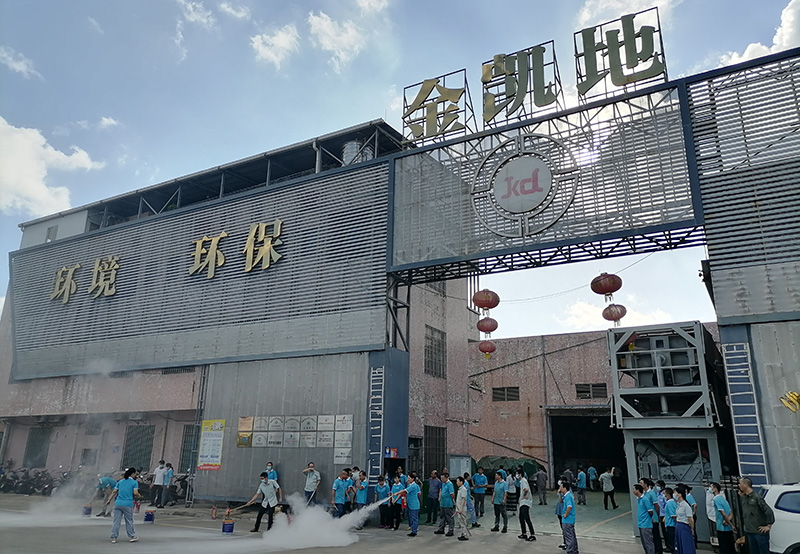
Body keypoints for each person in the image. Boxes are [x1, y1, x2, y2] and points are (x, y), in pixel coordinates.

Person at [738, 477, 774, 554]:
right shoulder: (744, 498)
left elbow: (768, 511)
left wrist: (769, 526)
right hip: (750, 532)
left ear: (745, 484)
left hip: (759, 533)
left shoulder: (757, 497)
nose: (739, 485)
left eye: (740, 484)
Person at [108, 467, 142, 543]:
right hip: (128, 504)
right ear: (132, 474)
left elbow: (114, 491)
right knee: (129, 521)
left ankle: (114, 537)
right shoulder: (134, 482)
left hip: (118, 503)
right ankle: (131, 536)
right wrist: (139, 495)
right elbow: (135, 493)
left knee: (116, 521)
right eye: (135, 474)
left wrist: (109, 500)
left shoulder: (120, 482)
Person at [711, 482, 735, 554]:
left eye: (711, 487)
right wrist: (729, 521)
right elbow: (730, 513)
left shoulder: (716, 500)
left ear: (715, 489)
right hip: (728, 529)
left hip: (721, 528)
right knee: (730, 548)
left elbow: (723, 513)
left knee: (724, 548)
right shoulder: (723, 499)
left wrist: (729, 523)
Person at [641, 478, 662, 554]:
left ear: (646, 484)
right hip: (648, 518)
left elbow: (656, 505)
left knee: (655, 535)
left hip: (653, 517)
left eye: (641, 483)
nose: (640, 485)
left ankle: (658, 551)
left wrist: (657, 515)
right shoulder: (644, 494)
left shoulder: (652, 493)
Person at [674, 485, 696, 554]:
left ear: (680, 494)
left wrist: (692, 528)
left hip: (684, 526)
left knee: (686, 544)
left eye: (675, 493)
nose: (674, 495)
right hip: (678, 525)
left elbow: (690, 518)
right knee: (679, 544)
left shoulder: (686, 506)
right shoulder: (678, 504)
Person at [634, 484, 656, 554]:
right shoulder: (638, 499)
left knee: (648, 542)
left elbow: (650, 511)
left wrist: (649, 518)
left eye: (634, 489)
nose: (633, 491)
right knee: (644, 542)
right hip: (641, 524)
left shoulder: (645, 499)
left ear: (638, 490)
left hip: (646, 524)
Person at [517, 469, 536, 541]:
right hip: (522, 502)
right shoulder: (522, 481)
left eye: (517, 474)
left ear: (520, 474)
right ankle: (524, 533)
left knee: (526, 518)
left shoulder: (523, 480)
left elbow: (526, 489)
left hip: (525, 502)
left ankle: (532, 534)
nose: (517, 475)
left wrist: (523, 496)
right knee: (521, 518)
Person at [560, 481, 578, 554]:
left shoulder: (568, 496)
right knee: (572, 536)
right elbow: (561, 501)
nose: (560, 488)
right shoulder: (567, 496)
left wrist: (566, 514)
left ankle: (570, 551)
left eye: (561, 487)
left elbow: (569, 506)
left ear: (565, 488)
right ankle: (574, 550)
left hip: (567, 520)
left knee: (568, 537)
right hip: (570, 520)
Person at [434, 472, 455, 536]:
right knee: (442, 517)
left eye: (443, 478)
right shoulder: (443, 484)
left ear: (446, 478)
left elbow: (452, 494)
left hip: (448, 503)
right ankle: (441, 529)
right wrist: (440, 497)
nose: (441, 480)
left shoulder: (450, 484)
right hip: (442, 503)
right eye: (441, 478)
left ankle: (451, 530)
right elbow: (441, 490)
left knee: (449, 517)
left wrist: (453, 500)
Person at [454, 476, 469, 541]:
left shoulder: (463, 489)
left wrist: (460, 508)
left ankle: (465, 535)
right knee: (461, 522)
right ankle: (463, 534)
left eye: (457, 481)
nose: (456, 483)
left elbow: (463, 499)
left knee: (463, 522)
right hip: (459, 508)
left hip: (462, 509)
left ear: (461, 482)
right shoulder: (460, 489)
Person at [663, 487, 677, 554]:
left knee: (671, 542)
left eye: (664, 493)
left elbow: (673, 516)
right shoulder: (672, 502)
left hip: (671, 525)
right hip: (671, 524)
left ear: (668, 494)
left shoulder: (669, 503)